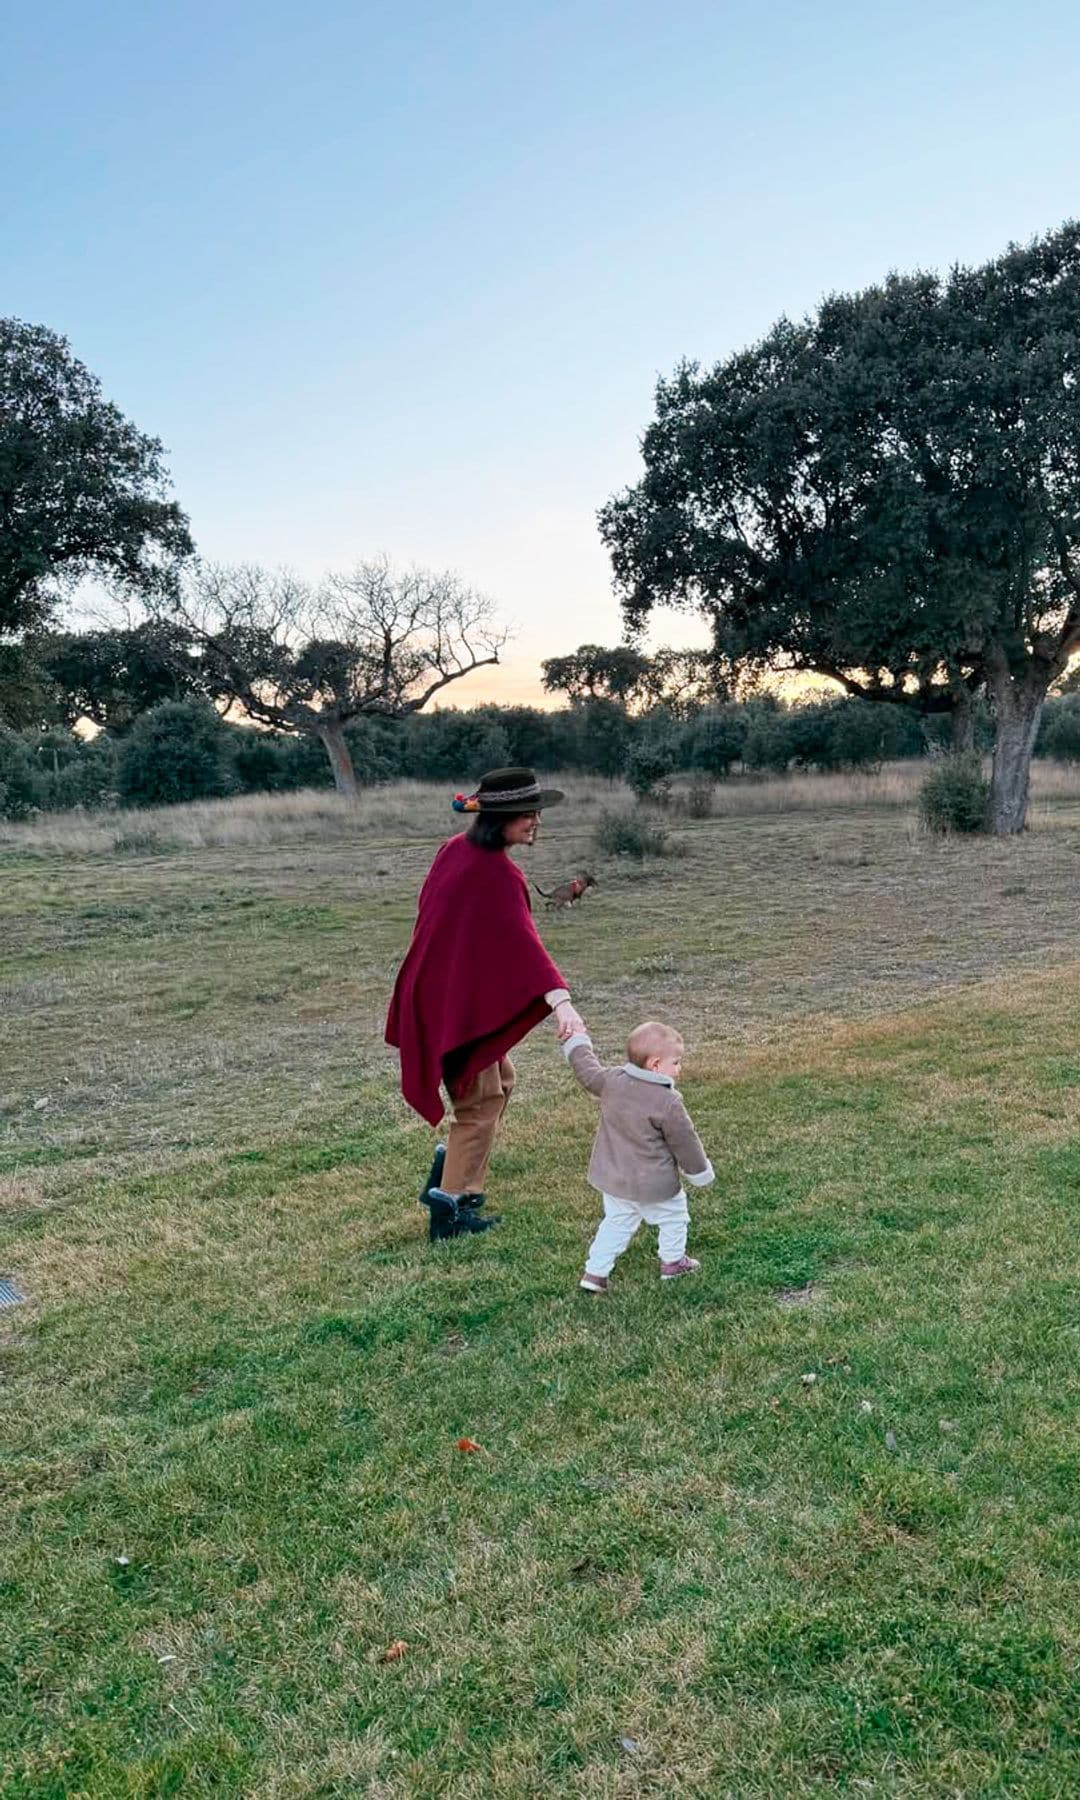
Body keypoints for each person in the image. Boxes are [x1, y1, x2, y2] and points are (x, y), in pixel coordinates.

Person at [386, 767, 586, 1241]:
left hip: (442, 993)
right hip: (446, 1000)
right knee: (478, 1102)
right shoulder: (495, 872)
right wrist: (563, 1005)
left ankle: (456, 1175)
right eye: (528, 814)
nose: (536, 821)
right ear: (501, 818)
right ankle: (449, 1212)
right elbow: (524, 948)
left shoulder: (456, 851)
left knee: (501, 1082)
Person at [561, 1019, 714, 1292]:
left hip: (615, 1179)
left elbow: (586, 1070)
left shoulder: (612, 1081)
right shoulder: (668, 1101)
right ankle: (673, 1262)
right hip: (654, 1184)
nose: (679, 1069)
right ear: (655, 1065)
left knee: (616, 1222)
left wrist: (576, 1040)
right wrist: (699, 1172)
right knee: (674, 1217)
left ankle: (595, 1272)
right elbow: (685, 1141)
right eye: (676, 1062)